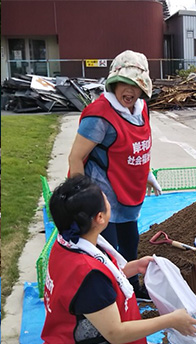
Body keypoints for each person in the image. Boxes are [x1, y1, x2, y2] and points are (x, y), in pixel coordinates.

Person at [37, 175, 196, 344]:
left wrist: (135, 267)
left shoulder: (69, 242)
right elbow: (115, 333)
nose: (109, 200)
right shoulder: (89, 274)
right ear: (99, 217)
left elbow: (101, 284)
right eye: (105, 198)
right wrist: (171, 320)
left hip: (67, 335)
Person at [68, 50, 162, 300]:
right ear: (113, 82)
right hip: (103, 192)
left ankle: (133, 287)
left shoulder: (141, 109)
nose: (130, 90)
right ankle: (111, 295)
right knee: (107, 251)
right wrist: (86, 199)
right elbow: (75, 158)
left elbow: (138, 143)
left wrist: (147, 172)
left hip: (129, 191)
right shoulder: (99, 116)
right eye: (125, 83)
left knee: (130, 244)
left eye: (137, 84)